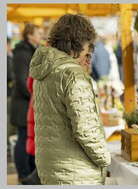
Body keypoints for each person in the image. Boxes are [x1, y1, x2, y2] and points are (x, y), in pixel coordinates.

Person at [29, 14, 111, 185]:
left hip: (51, 166)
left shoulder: (47, 70)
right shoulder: (72, 74)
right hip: (75, 171)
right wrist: (105, 158)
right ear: (79, 43)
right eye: (88, 47)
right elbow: (85, 129)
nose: (89, 54)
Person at [10, 23, 42, 184]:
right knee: (23, 139)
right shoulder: (22, 52)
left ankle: (28, 174)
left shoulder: (31, 50)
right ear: (29, 35)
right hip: (23, 104)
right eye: (38, 32)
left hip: (28, 102)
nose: (41, 35)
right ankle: (23, 175)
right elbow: (23, 82)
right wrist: (36, 97)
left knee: (27, 138)